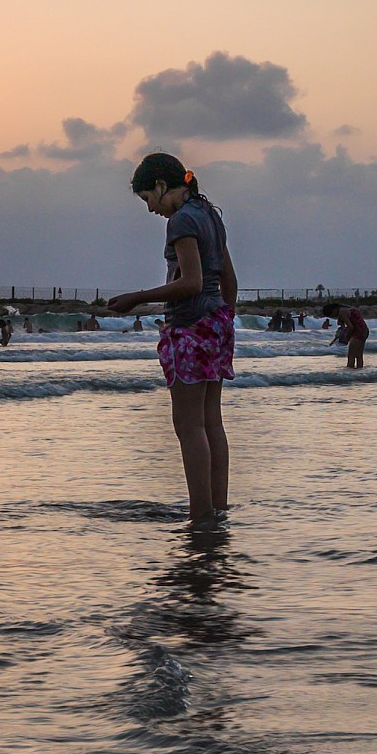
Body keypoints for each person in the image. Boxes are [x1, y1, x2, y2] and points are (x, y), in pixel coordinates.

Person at [108, 152, 238, 524]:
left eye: (150, 199)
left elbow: (191, 282)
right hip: (216, 324)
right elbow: (229, 281)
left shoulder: (181, 219)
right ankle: (217, 507)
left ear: (163, 186)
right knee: (212, 420)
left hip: (191, 325)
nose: (151, 210)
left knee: (188, 424)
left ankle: (200, 514)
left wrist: (138, 297)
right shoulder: (211, 214)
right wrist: (224, 318)